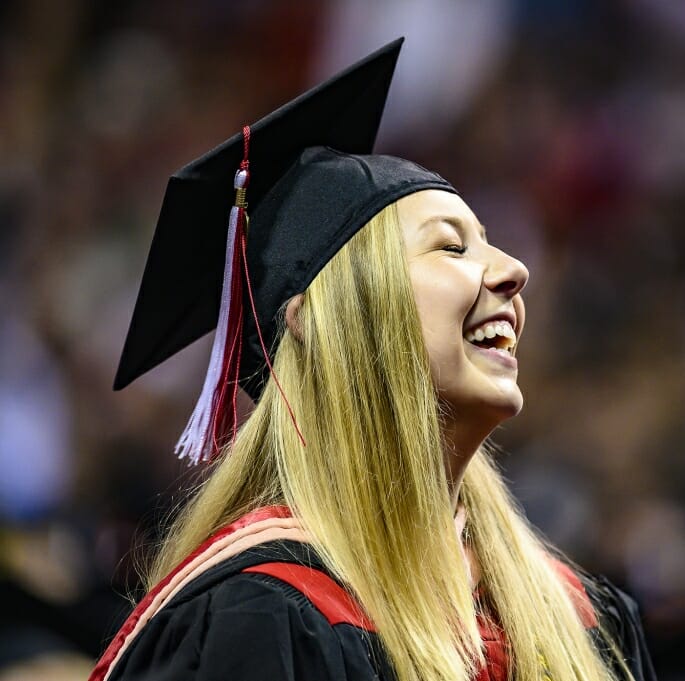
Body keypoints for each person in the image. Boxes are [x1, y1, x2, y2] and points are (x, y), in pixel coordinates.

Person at [90, 39, 656, 681]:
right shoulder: (261, 618)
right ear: (316, 319)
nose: (513, 270)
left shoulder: (579, 619)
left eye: (493, 244)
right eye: (451, 248)